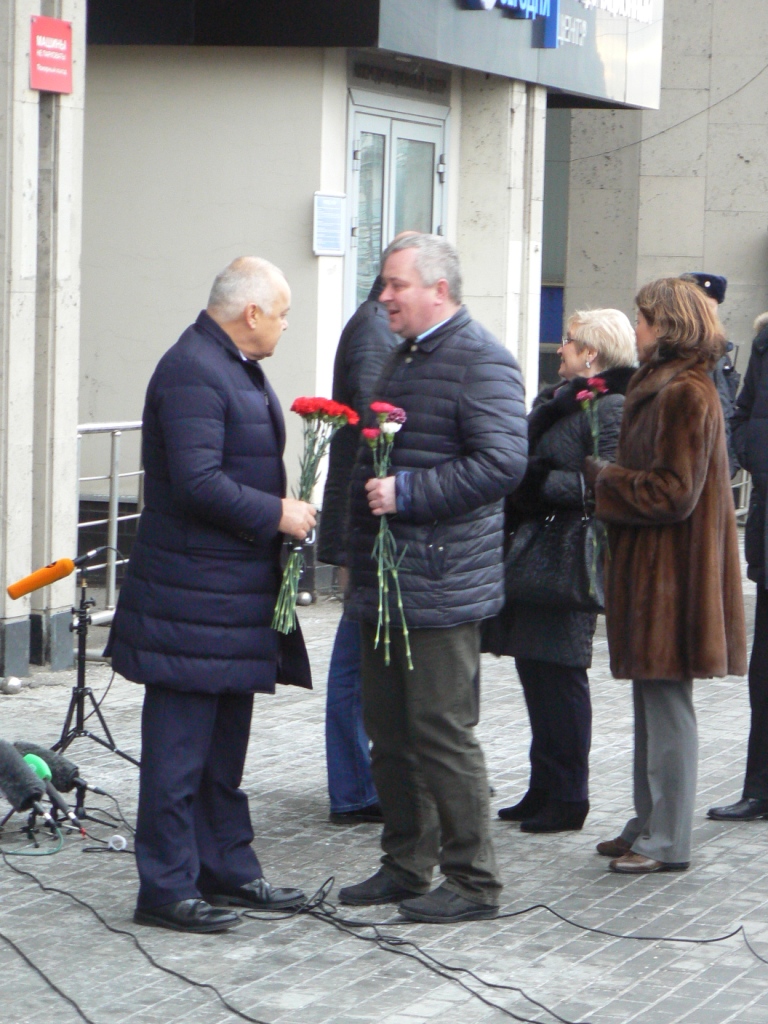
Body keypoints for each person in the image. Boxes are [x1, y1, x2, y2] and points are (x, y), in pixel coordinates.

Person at [107, 257, 316, 932]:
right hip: (189, 600)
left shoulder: (231, 363)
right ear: (250, 313)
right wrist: (277, 514)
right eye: (283, 311)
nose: (287, 323)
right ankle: (166, 888)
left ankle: (227, 870)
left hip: (229, 597)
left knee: (222, 752)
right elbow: (196, 481)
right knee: (178, 756)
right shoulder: (193, 368)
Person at [338, 234, 528, 922]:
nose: (383, 296)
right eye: (384, 284)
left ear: (438, 291)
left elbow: (505, 462)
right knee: (388, 731)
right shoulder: (404, 355)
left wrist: (411, 492)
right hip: (388, 581)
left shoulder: (482, 361)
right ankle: (406, 864)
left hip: (442, 583)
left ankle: (474, 882)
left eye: (395, 284)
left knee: (441, 732)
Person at [587, 277, 747, 874]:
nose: (636, 326)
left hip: (674, 579)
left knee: (667, 706)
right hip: (655, 573)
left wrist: (605, 477)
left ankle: (667, 839)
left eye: (643, 317)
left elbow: (674, 493)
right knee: (652, 704)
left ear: (667, 323)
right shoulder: (663, 384)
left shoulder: (686, 391)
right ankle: (647, 823)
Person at [484, 309, 637, 833]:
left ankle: (570, 795)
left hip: (571, 555)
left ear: (592, 353)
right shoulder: (556, 402)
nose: (559, 350)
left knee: (563, 676)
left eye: (568, 342)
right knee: (534, 669)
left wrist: (537, 482)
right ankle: (543, 784)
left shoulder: (612, 406)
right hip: (536, 550)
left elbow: (608, 484)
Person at [318, 274, 398, 825]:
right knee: (355, 655)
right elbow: (378, 424)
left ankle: (367, 781)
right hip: (367, 515)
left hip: (371, 514)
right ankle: (354, 790)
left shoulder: (382, 326)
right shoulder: (374, 326)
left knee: (367, 654)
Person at [708, 311, 768, 822]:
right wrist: (758, 457)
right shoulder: (766, 344)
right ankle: (760, 789)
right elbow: (741, 416)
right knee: (765, 674)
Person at [680, 272, 740, 476]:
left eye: (711, 310)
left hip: (715, 462)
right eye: (702, 308)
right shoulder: (679, 352)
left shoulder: (719, 354)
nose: (707, 317)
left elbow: (725, 407)